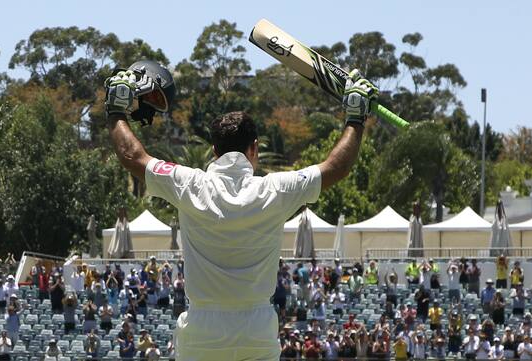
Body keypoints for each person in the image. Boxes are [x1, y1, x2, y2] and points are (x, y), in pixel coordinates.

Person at [106, 61, 379, 358]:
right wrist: (355, 117)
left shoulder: (189, 184)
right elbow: (336, 168)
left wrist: (116, 109)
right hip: (257, 330)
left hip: (202, 331)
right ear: (255, 148)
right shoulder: (276, 189)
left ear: (213, 151)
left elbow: (132, 155)